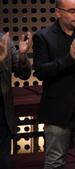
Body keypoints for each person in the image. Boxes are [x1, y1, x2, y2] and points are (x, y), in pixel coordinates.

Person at [32, 0, 75, 168]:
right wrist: (69, 59)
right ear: (58, 12)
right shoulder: (43, 36)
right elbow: (41, 71)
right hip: (57, 111)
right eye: (72, 11)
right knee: (55, 162)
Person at [0, 31, 32, 169]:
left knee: (3, 162)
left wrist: (22, 55)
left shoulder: (3, 39)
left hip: (2, 116)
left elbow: (23, 74)